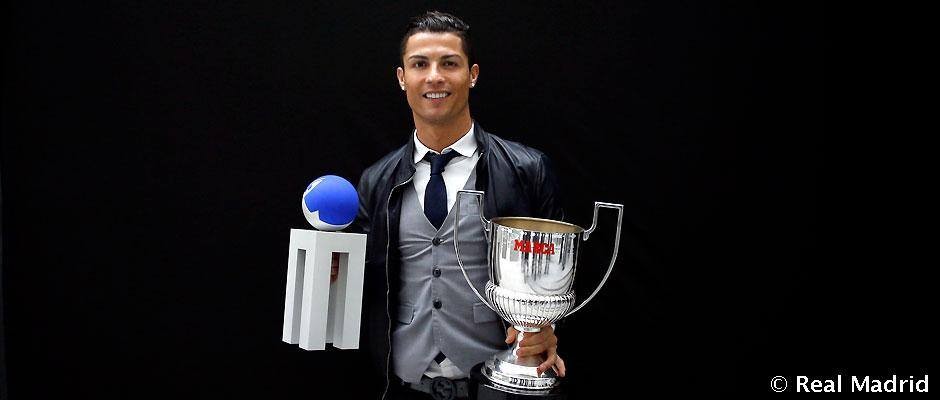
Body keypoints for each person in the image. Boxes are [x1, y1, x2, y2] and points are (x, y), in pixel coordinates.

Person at [337, 11, 567, 399]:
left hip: (500, 388)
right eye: (419, 64)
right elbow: (364, 281)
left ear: (472, 74)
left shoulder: (528, 170)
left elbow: (558, 276)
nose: (434, 77)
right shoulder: (376, 181)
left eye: (449, 63)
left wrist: (547, 329)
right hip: (405, 386)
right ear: (402, 78)